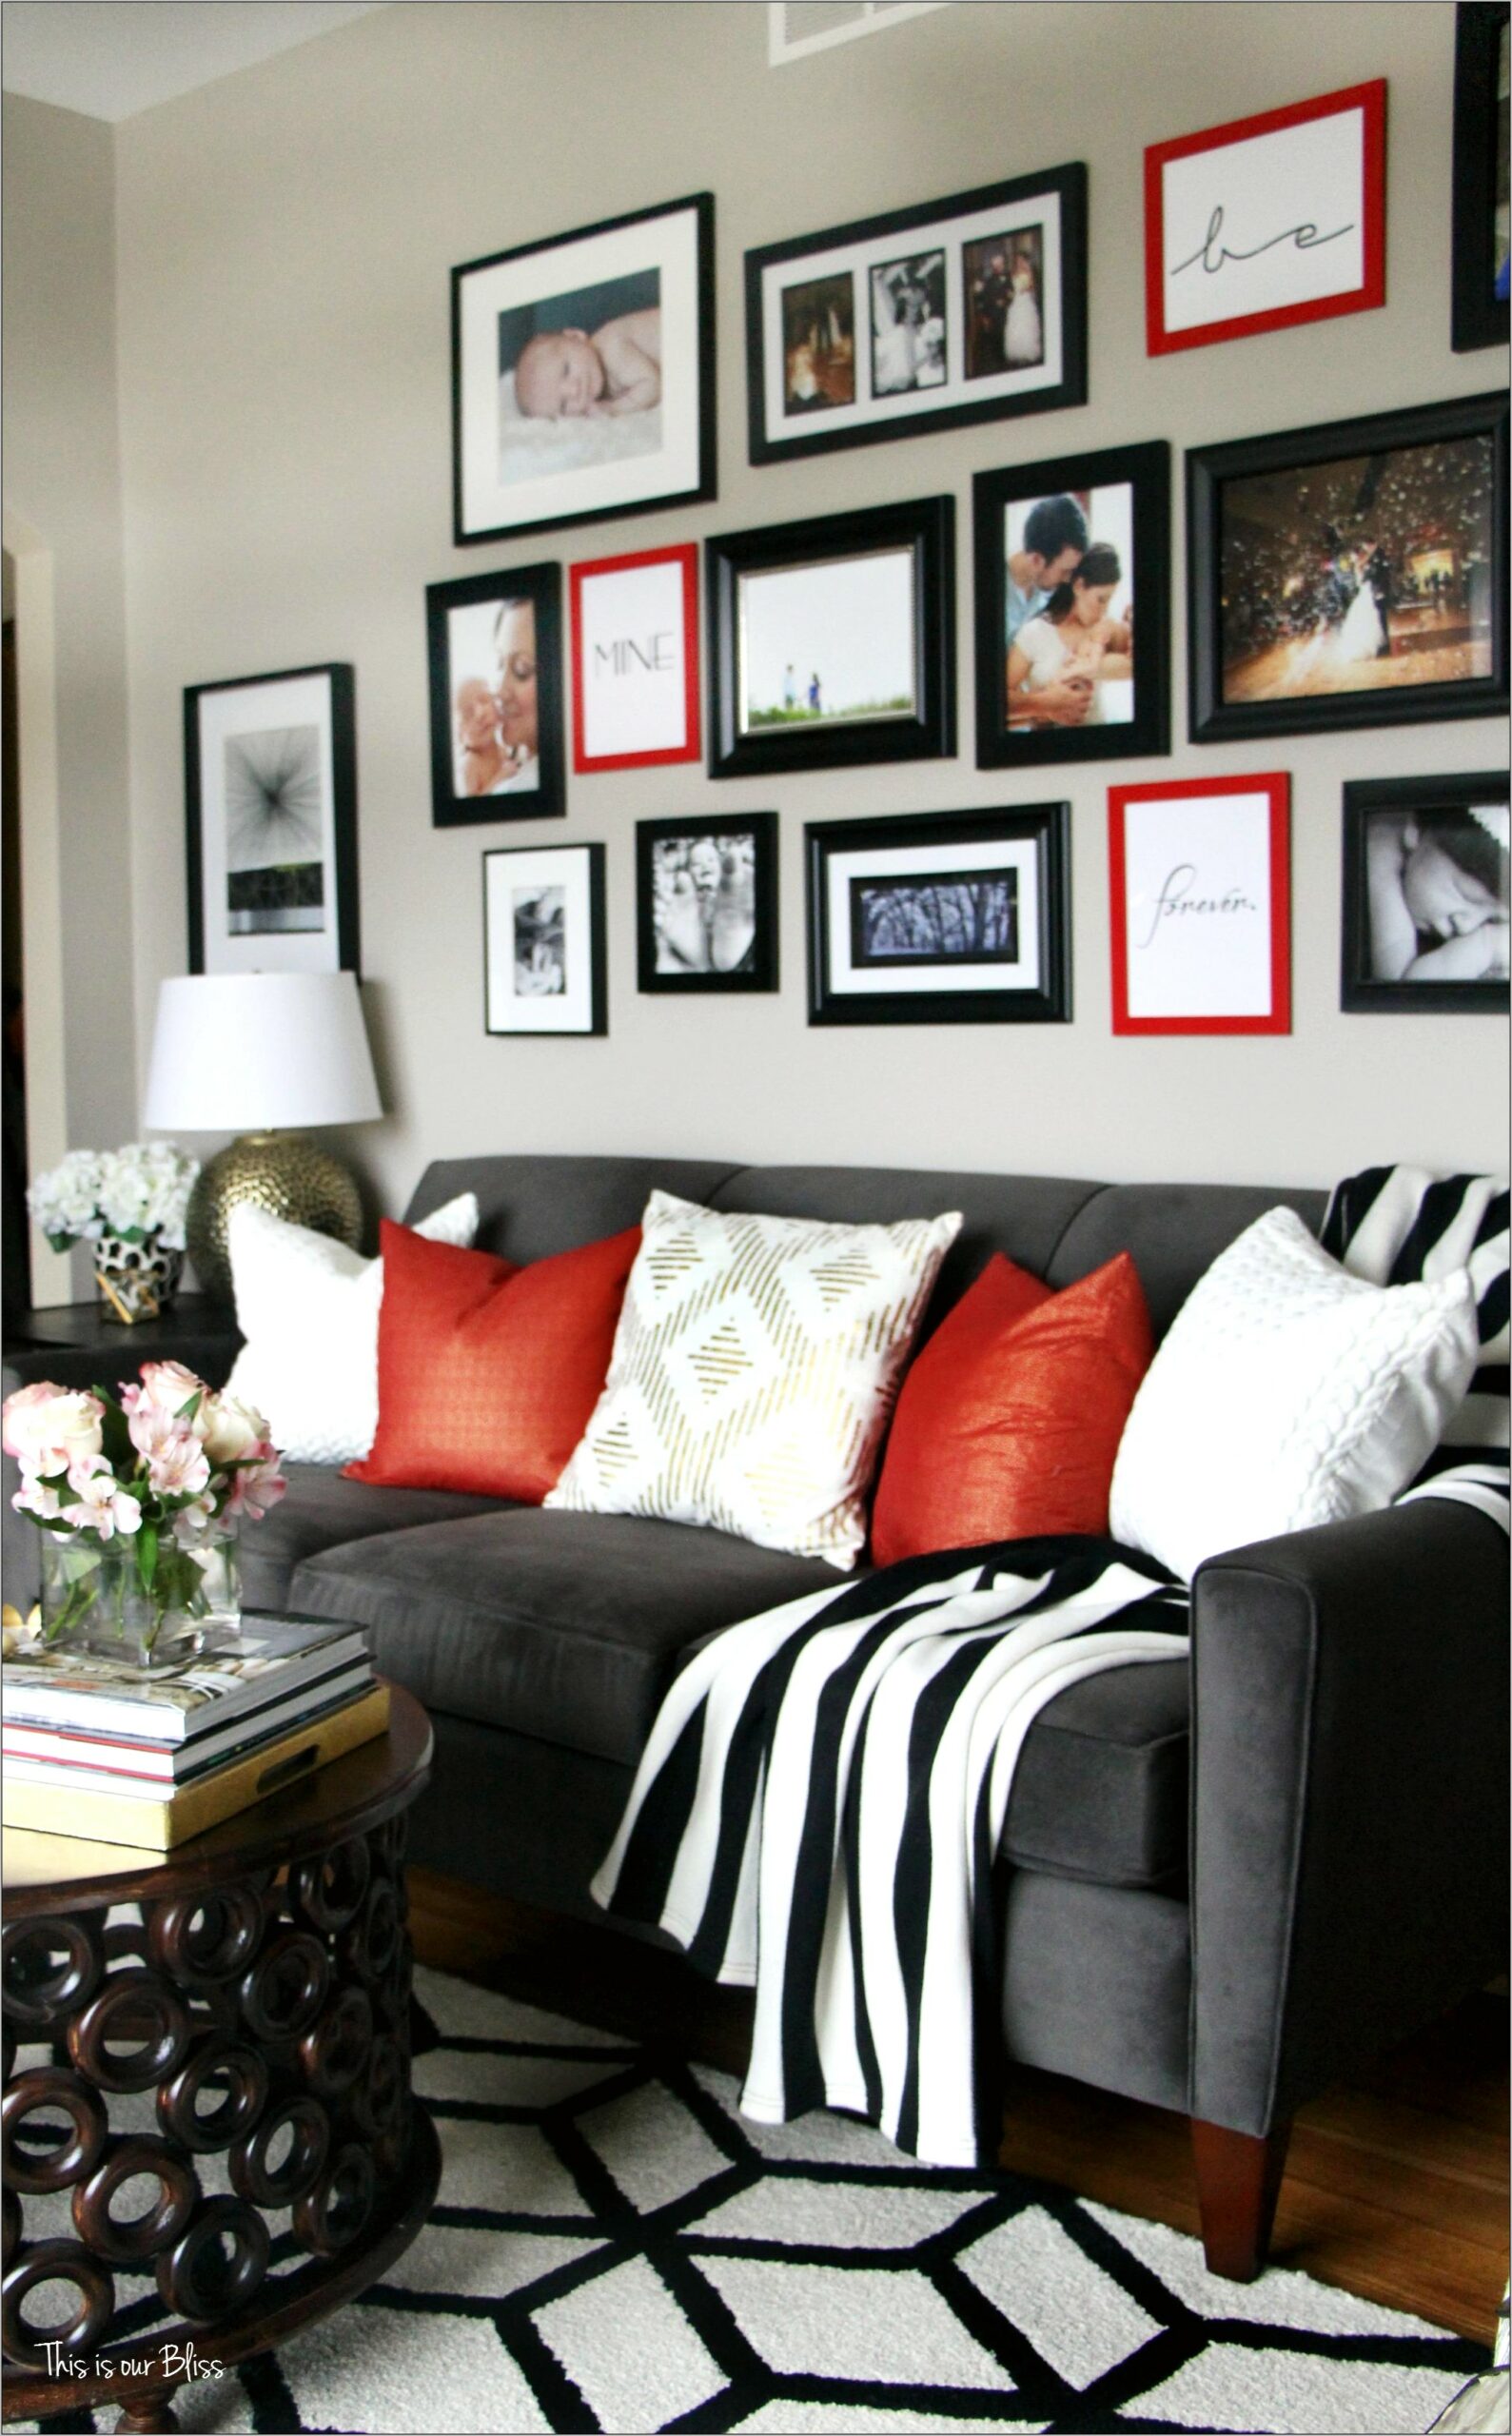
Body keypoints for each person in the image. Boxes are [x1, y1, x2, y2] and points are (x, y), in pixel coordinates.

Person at [1365, 804, 1509, 982]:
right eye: (1466, 895)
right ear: (1417, 831)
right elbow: (1401, 991)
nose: (1467, 928)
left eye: (1493, 920)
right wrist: (1487, 945)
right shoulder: (1379, 853)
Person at [1007, 542, 1131, 730]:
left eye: (1110, 600)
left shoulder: (1106, 630)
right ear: (1079, 586)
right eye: (1101, 599)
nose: (1104, 609)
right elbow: (998, 704)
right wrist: (1046, 705)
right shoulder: (1034, 633)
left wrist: (1097, 666)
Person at [513, 306, 661, 420]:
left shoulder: (611, 346)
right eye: (563, 405)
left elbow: (652, 385)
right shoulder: (601, 385)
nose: (574, 390)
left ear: (576, 336)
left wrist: (615, 409)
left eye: (566, 370)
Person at [454, 678, 507, 796]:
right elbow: (469, 810)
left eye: (484, 700)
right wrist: (501, 777)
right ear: (461, 733)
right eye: (468, 712)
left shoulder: (505, 751)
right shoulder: (470, 764)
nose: (480, 714)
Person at [1003, 250, 1042, 368]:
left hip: (1025, 299)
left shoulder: (1028, 271)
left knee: (1026, 324)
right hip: (1016, 300)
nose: (1019, 262)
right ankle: (1017, 353)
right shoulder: (1013, 272)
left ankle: (1028, 352)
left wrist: (1026, 288)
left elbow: (1032, 286)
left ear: (1024, 260)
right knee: (1015, 325)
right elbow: (1011, 287)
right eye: (1017, 260)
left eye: (1021, 260)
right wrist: (1011, 293)